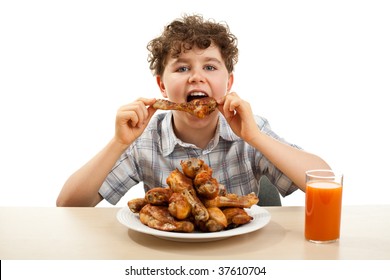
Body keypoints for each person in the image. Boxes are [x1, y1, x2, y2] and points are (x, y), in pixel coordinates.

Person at [56, 14, 330, 207]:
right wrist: (118, 143)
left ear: (228, 83)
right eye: (182, 68)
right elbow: (68, 204)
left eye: (210, 67)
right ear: (162, 85)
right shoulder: (145, 138)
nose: (196, 77)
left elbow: (325, 181)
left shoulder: (249, 129)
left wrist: (256, 138)